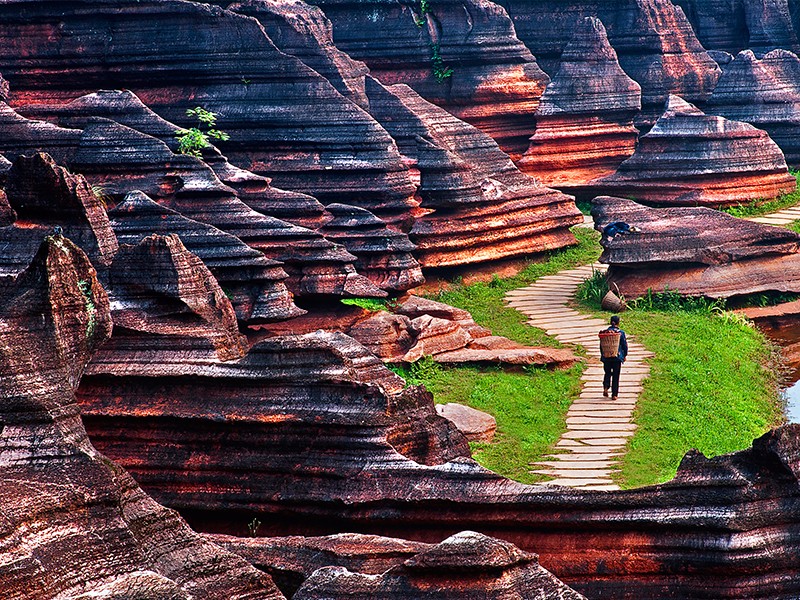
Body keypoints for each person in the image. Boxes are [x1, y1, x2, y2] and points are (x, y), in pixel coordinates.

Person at [600, 315, 627, 400]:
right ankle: (614, 394)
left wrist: (603, 355)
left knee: (607, 373)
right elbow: (624, 345)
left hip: (606, 357)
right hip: (617, 357)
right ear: (618, 322)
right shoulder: (621, 333)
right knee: (616, 375)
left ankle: (606, 387)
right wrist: (625, 355)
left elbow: (601, 346)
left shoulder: (605, 333)